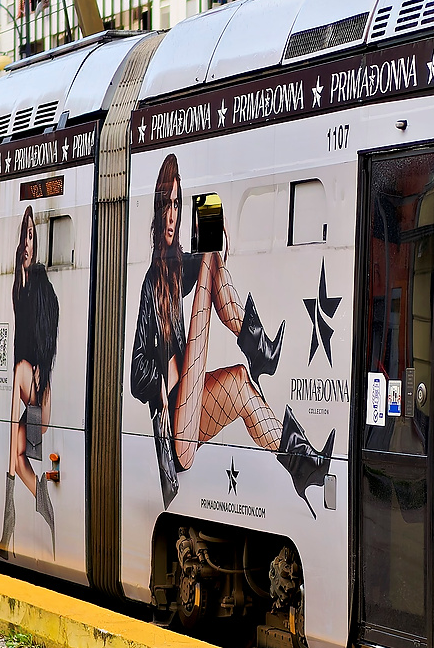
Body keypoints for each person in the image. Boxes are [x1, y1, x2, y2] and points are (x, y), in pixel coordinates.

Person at [129, 153, 329, 512]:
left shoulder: (174, 269)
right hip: (175, 424)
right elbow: (135, 374)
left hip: (192, 406)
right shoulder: (151, 281)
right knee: (210, 255)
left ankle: (302, 465)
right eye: (166, 205)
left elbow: (205, 265)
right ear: (158, 212)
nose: (172, 214)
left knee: (239, 381)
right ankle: (258, 347)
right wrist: (167, 375)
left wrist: (212, 224)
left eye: (177, 204)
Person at [0, 207, 60, 558]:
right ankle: (42, 504)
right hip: (32, 397)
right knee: (19, 455)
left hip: (39, 396)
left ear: (35, 244)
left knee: (18, 370)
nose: (27, 243)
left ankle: (9, 517)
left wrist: (40, 370)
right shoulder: (18, 288)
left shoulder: (38, 285)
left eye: (32, 236)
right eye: (24, 235)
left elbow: (43, 338)